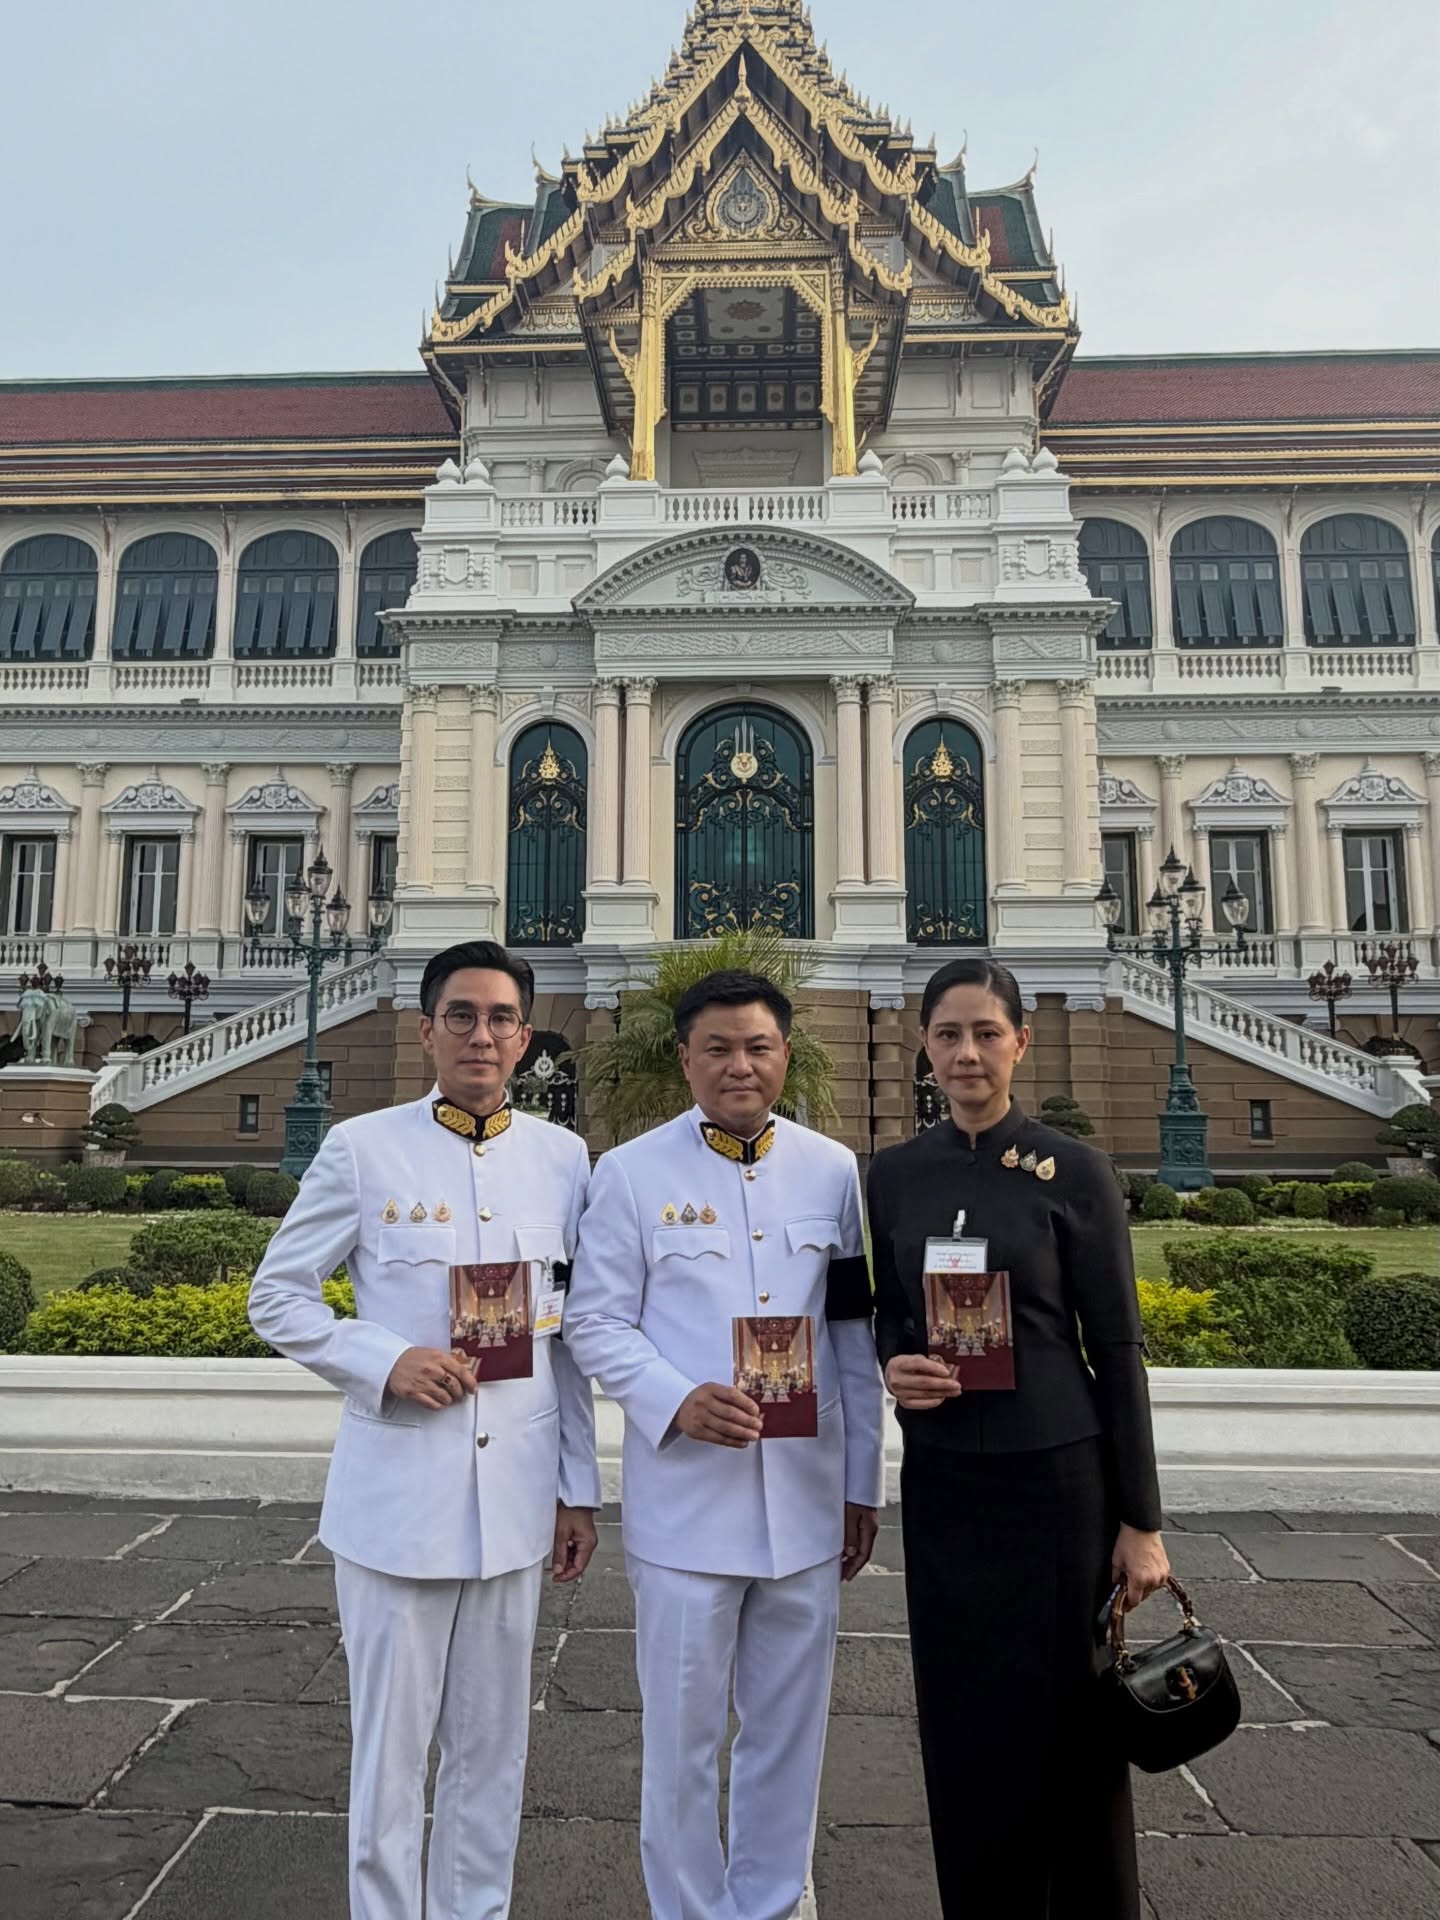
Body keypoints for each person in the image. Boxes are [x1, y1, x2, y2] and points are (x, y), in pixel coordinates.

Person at [248, 939, 600, 1920]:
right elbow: (277, 1298)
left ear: (525, 1038)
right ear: (427, 1029)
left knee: (494, 1750)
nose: (481, 1035)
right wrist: (382, 1359)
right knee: (392, 1757)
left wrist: (579, 1487)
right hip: (398, 1502)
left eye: (499, 1019)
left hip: (517, 1504)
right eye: (461, 1016)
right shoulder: (365, 1148)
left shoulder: (564, 1159)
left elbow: (564, 1337)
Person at [564, 969, 885, 1920]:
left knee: (789, 1734)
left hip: (803, 1499)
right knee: (682, 1738)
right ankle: (690, 1910)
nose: (739, 1066)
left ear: (786, 1054)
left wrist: (862, 1483)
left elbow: (853, 1340)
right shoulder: (630, 1174)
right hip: (688, 1510)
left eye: (757, 1047)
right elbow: (595, 1324)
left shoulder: (833, 1174)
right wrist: (674, 1398)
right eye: (717, 1048)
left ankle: (773, 1901)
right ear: (685, 1059)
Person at [867, 956, 1169, 1920]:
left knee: (1074, 1723)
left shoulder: (1071, 1171)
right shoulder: (896, 1175)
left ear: (1019, 1044)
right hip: (951, 1482)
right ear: (924, 1044)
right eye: (948, 1034)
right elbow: (881, 1311)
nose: (967, 1054)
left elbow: (1116, 1347)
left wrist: (1142, 1521)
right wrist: (891, 1361)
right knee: (961, 1720)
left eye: (986, 1034)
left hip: (1059, 1481)